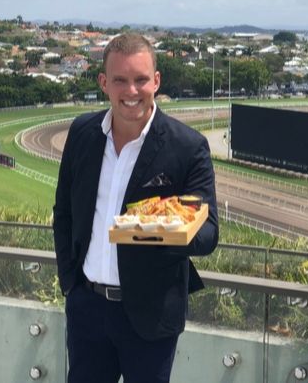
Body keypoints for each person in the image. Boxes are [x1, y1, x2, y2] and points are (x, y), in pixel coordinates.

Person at [53, 33, 218, 383]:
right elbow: (64, 212)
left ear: (156, 81)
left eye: (141, 79)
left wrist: (165, 228)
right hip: (87, 307)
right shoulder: (83, 132)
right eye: (120, 80)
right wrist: (70, 284)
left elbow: (209, 234)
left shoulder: (188, 147)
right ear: (103, 83)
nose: (131, 91)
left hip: (151, 315)